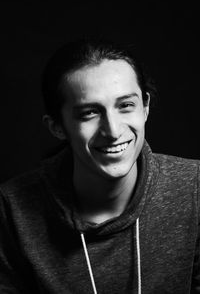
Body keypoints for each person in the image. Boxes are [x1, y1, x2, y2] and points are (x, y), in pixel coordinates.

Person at [0, 38, 199, 294]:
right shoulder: (11, 208)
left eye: (126, 106)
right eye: (89, 113)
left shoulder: (194, 188)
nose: (113, 131)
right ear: (57, 127)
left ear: (145, 107)